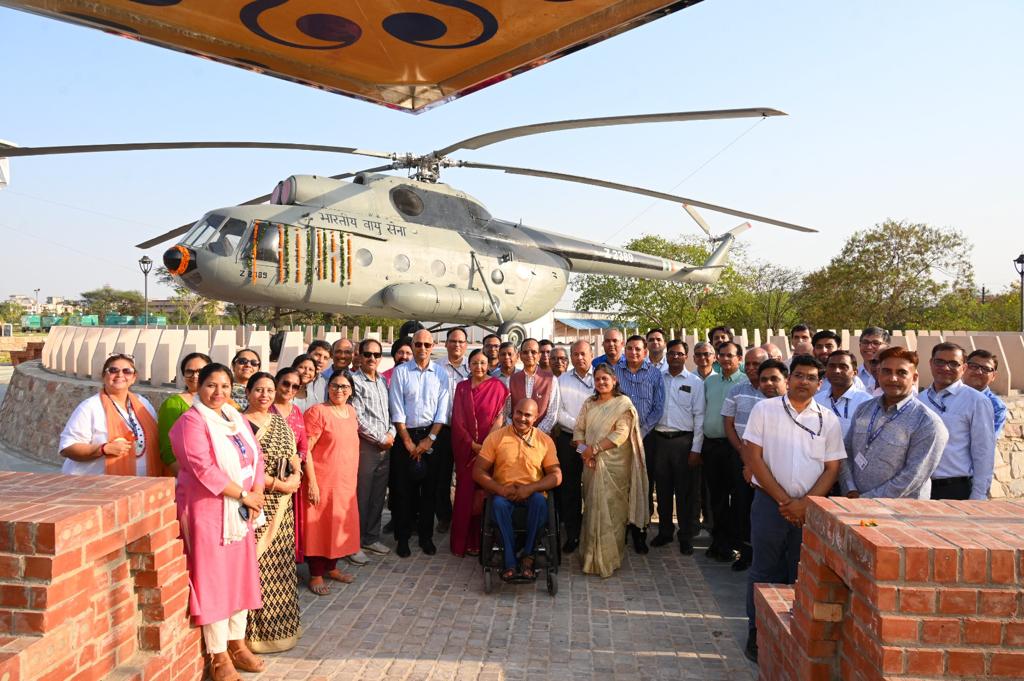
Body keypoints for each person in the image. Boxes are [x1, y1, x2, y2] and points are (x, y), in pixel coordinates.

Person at [740, 355, 845, 664]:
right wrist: (785, 501)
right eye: (799, 375)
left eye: (811, 377)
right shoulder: (765, 410)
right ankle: (757, 631)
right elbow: (754, 458)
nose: (804, 381)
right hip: (769, 505)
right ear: (790, 378)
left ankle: (790, 634)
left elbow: (832, 468)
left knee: (797, 573)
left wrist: (805, 505)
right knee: (763, 570)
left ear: (819, 384)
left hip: (808, 512)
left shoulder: (828, 419)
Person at [169, 363, 265, 680]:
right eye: (211, 385)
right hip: (208, 511)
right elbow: (203, 468)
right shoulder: (190, 422)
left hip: (240, 510)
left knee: (238, 577)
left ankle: (237, 643)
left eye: (225, 386)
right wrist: (244, 495)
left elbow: (256, 456)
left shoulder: (234, 417)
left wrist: (257, 491)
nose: (218, 392)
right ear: (198, 386)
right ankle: (218, 653)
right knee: (214, 581)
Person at [241, 372, 302, 653]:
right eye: (258, 390)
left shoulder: (279, 421)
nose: (264, 395)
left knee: (279, 567)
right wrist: (280, 484)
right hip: (259, 504)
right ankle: (254, 637)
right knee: (258, 569)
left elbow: (293, 455)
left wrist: (296, 477)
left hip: (284, 505)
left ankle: (283, 631)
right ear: (248, 392)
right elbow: (247, 468)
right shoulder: (240, 425)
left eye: (268, 390)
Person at [574, 364, 650, 578]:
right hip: (590, 464)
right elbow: (578, 431)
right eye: (597, 379)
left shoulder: (623, 404)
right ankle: (590, 558)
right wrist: (584, 453)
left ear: (614, 380)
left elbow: (621, 435)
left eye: (605, 379)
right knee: (592, 508)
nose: (601, 382)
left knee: (614, 511)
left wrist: (594, 450)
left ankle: (609, 559)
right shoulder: (589, 403)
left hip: (615, 466)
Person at [840, 348, 947, 500]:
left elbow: (913, 476)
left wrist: (866, 500)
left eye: (902, 373)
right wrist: (849, 489)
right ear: (878, 374)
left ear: (914, 377)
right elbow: (847, 451)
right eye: (887, 371)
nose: (893, 378)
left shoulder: (927, 422)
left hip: (901, 513)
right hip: (854, 504)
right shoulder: (864, 409)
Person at [474, 398, 562, 581]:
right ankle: (510, 562)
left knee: (539, 501)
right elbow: (478, 471)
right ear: (512, 413)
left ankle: (528, 557)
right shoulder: (496, 438)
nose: (522, 418)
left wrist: (531, 488)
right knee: (497, 504)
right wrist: (500, 489)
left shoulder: (545, 441)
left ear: (536, 417)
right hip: (504, 494)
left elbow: (556, 476)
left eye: (528, 415)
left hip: (533, 493)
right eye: (518, 413)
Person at [388, 329, 451, 557]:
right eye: (418, 344)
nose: (422, 349)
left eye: (426, 345)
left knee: (430, 491)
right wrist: (407, 441)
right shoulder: (401, 372)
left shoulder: (441, 374)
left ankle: (426, 537)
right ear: (412, 346)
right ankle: (403, 537)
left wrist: (430, 439)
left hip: (432, 436)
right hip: (405, 435)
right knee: (404, 491)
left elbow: (442, 411)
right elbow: (397, 408)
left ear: (433, 347)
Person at [303, 371, 361, 594]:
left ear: (351, 391)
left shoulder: (351, 411)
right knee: (319, 527)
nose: (339, 390)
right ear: (328, 387)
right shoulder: (318, 412)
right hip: (322, 480)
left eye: (345, 387)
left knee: (338, 525)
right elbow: (305, 450)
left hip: (345, 482)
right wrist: (312, 483)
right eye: (335, 385)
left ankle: (332, 567)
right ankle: (316, 574)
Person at [60, 352, 162, 477]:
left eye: (127, 371)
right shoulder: (90, 407)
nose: (120, 375)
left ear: (134, 378)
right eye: (113, 370)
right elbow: (68, 448)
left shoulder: (143, 404)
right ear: (104, 376)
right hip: (97, 488)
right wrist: (103, 449)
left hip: (139, 486)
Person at [450, 349, 508, 557]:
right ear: (469, 365)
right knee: (465, 495)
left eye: (483, 363)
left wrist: (486, 445)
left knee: (486, 494)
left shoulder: (498, 387)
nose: (479, 367)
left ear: (488, 365)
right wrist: (471, 444)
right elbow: (457, 419)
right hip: (466, 450)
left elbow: (500, 418)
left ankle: (486, 540)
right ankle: (463, 542)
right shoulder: (462, 388)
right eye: (475, 363)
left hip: (489, 450)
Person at [649, 339, 704, 555]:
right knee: (662, 490)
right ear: (666, 355)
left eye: (680, 354)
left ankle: (685, 535)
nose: (675, 357)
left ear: (686, 356)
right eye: (671, 353)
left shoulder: (695, 382)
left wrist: (696, 449)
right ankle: (664, 532)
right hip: (660, 441)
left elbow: (699, 416)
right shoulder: (657, 379)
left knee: (685, 493)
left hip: (684, 442)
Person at [921, 342, 996, 500]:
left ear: (964, 368)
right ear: (930, 363)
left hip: (956, 489)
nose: (945, 368)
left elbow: (983, 452)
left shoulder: (976, 401)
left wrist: (979, 495)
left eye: (953, 363)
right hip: (920, 489)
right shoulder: (919, 399)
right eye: (940, 362)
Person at [694, 340, 747, 562]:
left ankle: (734, 543)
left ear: (739, 359)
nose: (725, 359)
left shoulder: (745, 384)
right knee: (715, 497)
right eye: (722, 355)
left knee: (736, 498)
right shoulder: (711, 382)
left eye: (730, 356)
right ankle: (718, 541)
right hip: (711, 446)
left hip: (734, 448)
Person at [614, 335, 664, 553]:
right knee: (622, 483)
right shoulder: (615, 371)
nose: (633, 353)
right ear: (625, 350)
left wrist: (640, 433)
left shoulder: (654, 374)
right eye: (630, 348)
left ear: (645, 352)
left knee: (644, 484)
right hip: (619, 439)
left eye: (638, 349)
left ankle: (640, 531)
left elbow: (658, 407)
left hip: (646, 438)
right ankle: (622, 527)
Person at [721, 347, 769, 571]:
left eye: (756, 364)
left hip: (768, 462)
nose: (751, 368)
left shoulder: (774, 392)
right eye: (748, 364)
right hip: (740, 457)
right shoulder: (736, 390)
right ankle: (745, 553)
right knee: (741, 505)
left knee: (763, 507)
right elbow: (728, 424)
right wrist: (741, 450)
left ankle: (763, 554)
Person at [349, 338, 395, 563]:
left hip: (386, 445)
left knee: (378, 495)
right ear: (359, 355)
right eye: (367, 354)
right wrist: (379, 438)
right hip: (366, 446)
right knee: (362, 496)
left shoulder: (383, 382)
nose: (372, 358)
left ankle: (371, 537)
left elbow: (391, 412)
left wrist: (391, 435)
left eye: (377, 355)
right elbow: (356, 417)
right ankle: (353, 542)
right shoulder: (353, 381)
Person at [554, 339, 594, 554]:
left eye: (583, 353)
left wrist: (588, 435)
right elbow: (558, 412)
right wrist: (580, 434)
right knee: (569, 489)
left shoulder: (601, 376)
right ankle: (573, 535)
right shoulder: (561, 380)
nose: (579, 358)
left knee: (594, 489)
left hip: (596, 445)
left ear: (591, 354)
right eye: (575, 354)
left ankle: (594, 534)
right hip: (571, 444)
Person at [271, 367, 309, 563]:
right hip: (269, 477)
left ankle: (286, 566)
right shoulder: (265, 408)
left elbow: (303, 444)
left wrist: (296, 469)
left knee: (289, 524)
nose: (290, 389)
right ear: (276, 382)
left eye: (295, 386)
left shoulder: (295, 410)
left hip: (293, 476)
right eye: (286, 383)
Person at [437, 328, 471, 534]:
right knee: (442, 476)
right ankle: (444, 515)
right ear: (446, 343)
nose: (456, 345)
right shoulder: (437, 367)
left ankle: (465, 514)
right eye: (452, 341)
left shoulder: (474, 366)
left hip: (467, 433)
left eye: (461, 341)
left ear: (466, 344)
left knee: (466, 475)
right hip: (444, 428)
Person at [158, 352, 211, 475]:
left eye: (200, 371)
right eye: (189, 371)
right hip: (190, 475)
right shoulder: (173, 404)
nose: (195, 376)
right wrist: (188, 478)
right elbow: (167, 451)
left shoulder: (224, 403)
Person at [505, 338, 560, 434]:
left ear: (539, 356)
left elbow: (552, 413)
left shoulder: (551, 380)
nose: (529, 355)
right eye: (525, 352)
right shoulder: (511, 380)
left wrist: (535, 434)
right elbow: (506, 413)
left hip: (541, 437)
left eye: (533, 352)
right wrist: (516, 432)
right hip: (514, 436)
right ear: (520, 356)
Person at [814, 350, 872, 436]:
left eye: (843, 366)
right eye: (832, 366)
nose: (836, 371)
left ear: (855, 373)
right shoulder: (817, 400)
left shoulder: (866, 402)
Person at [963, 349, 1007, 437]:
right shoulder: (946, 395)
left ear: (993, 376)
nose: (979, 372)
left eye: (986, 369)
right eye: (974, 366)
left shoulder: (996, 406)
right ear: (964, 368)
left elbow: (988, 441)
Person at [857, 327, 890, 392]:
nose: (869, 347)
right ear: (859, 345)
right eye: (865, 342)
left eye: (876, 343)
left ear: (887, 347)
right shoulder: (854, 376)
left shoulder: (893, 376)